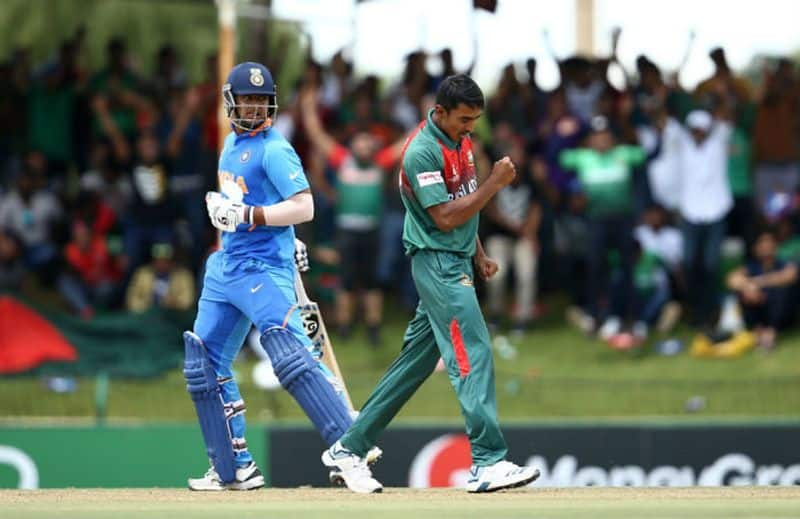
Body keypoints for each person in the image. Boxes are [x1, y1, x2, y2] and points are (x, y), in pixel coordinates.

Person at [321, 74, 540, 494]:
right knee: (471, 353)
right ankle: (488, 462)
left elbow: (463, 202)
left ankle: (349, 448)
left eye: (474, 120)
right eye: (463, 119)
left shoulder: (460, 143)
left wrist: (477, 252)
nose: (469, 128)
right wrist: (495, 184)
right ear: (439, 112)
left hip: (455, 261)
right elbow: (443, 216)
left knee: (413, 365)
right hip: (438, 266)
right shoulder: (421, 151)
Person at [185, 62, 363, 491]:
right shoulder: (229, 145)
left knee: (290, 355)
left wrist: (260, 221)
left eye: (260, 100)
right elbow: (255, 200)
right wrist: (281, 233)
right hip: (226, 265)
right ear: (232, 101)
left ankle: (351, 450)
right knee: (201, 363)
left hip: (263, 268)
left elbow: (304, 206)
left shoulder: (275, 149)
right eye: (246, 99)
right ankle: (233, 467)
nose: (252, 107)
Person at [727, 230, 797, 351]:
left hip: (782, 315)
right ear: (755, 248)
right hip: (760, 310)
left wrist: (756, 283)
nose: (766, 246)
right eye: (762, 243)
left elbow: (788, 276)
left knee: (784, 290)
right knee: (742, 292)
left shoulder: (784, 263)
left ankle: (771, 333)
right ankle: (758, 333)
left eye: (769, 242)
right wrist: (747, 287)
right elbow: (732, 279)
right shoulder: (751, 266)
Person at [125, 242, 195, 313]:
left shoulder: (183, 276)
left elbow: (187, 301)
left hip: (173, 315)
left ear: (172, 261)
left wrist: (174, 303)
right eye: (158, 260)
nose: (161, 264)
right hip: (146, 315)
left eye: (165, 261)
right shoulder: (142, 274)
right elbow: (132, 299)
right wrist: (146, 308)